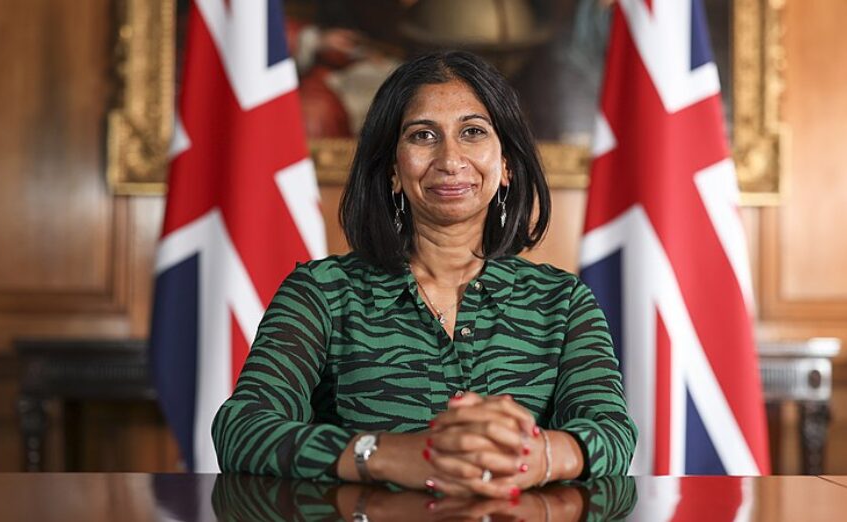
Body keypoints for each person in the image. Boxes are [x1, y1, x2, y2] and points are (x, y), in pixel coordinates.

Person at [212, 50, 636, 499]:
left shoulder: (563, 302)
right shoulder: (321, 294)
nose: (450, 159)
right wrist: (391, 455)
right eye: (423, 135)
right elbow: (242, 428)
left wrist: (535, 455)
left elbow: (611, 432)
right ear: (393, 169)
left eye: (473, 132)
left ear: (506, 164)